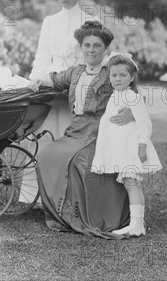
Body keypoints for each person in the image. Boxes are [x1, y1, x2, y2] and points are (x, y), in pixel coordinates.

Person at [28, 21, 131, 238]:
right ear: (81, 48)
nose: (91, 50)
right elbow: (54, 80)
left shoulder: (112, 71)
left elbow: (132, 93)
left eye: (96, 46)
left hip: (102, 131)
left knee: (79, 162)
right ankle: (63, 214)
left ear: (106, 49)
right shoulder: (76, 72)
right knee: (47, 154)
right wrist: (38, 80)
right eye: (87, 45)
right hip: (76, 131)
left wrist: (129, 113)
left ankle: (91, 216)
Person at [22, 0, 100, 204]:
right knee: (45, 136)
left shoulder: (90, 21)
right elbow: (42, 56)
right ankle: (38, 198)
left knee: (71, 138)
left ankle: (73, 198)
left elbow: (94, 56)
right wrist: (36, 79)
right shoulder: (50, 22)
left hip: (77, 84)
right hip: (50, 85)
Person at [91, 54, 162, 236]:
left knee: (132, 183)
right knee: (129, 183)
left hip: (131, 148)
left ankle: (137, 224)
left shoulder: (131, 96)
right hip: (121, 148)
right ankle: (135, 223)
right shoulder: (116, 95)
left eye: (123, 75)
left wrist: (142, 146)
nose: (118, 79)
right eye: (114, 75)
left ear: (131, 77)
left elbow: (145, 122)